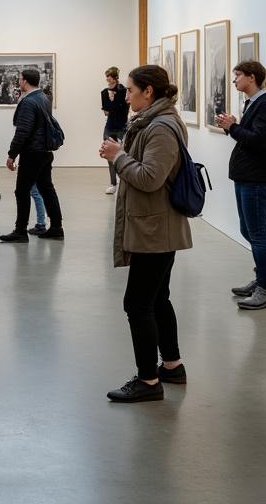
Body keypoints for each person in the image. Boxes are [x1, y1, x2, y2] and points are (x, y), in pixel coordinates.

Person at [99, 65, 192, 402]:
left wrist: (119, 157)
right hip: (154, 226)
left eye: (131, 90)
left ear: (148, 91)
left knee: (137, 303)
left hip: (155, 229)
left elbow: (151, 178)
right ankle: (172, 366)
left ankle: (148, 381)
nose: (126, 97)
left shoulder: (161, 127)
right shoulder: (152, 122)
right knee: (157, 298)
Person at [216, 60, 266, 311]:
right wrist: (232, 126)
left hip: (258, 179)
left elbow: (260, 141)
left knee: (256, 233)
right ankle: (262, 279)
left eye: (238, 75)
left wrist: (233, 127)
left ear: (251, 77)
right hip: (249, 176)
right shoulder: (255, 103)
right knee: (249, 230)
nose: (234, 80)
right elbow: (251, 137)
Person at [0, 67, 63, 242]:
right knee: (47, 189)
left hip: (32, 153)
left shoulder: (28, 102)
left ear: (25, 81)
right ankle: (56, 227)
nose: (18, 81)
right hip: (44, 152)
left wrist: (12, 155)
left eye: (20, 79)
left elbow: (23, 132)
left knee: (22, 191)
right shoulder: (43, 97)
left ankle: (20, 231)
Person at [101, 66, 128, 194]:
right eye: (106, 76)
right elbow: (106, 110)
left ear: (115, 77)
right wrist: (112, 103)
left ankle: (125, 182)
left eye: (109, 76)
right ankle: (113, 183)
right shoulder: (104, 92)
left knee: (124, 154)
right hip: (110, 126)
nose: (107, 79)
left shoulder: (123, 91)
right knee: (109, 155)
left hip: (122, 126)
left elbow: (118, 107)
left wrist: (113, 102)